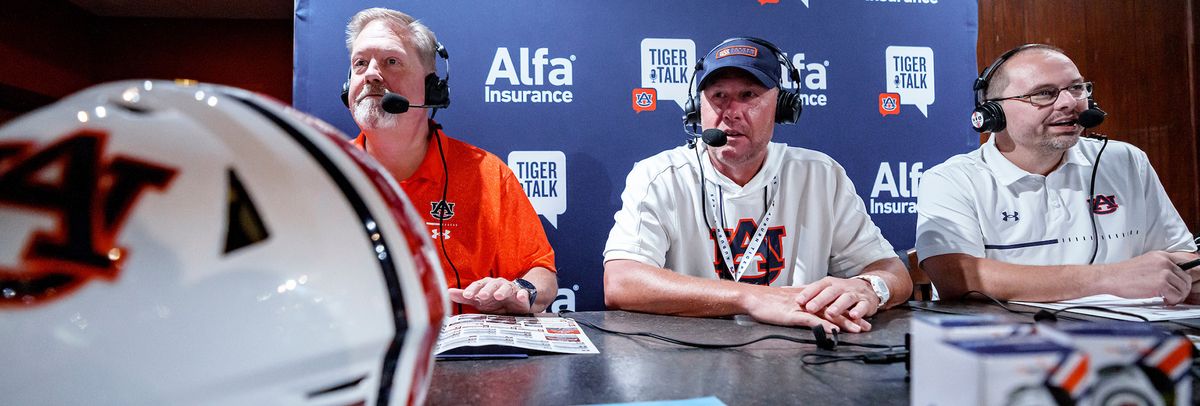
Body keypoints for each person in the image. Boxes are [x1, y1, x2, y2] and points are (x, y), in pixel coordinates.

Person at [603, 38, 911, 333]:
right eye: (718, 96)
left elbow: (894, 272)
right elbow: (621, 282)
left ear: (781, 108)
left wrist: (871, 288)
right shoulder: (660, 176)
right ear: (698, 110)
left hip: (797, 358)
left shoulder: (820, 175)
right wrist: (750, 298)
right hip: (689, 359)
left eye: (749, 95)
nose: (731, 111)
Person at [915, 44, 1199, 304]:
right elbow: (957, 277)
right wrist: (1112, 278)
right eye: (1044, 93)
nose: (1069, 102)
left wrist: (1168, 272)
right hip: (1010, 347)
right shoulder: (952, 180)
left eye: (1077, 88)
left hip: (1134, 341)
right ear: (992, 113)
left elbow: (1185, 257)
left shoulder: (1125, 160)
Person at [344, 8, 557, 314]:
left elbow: (542, 275)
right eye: (360, 63)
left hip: (463, 358)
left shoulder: (488, 175)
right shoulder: (321, 174)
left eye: (391, 62)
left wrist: (520, 290)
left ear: (432, 87)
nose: (372, 75)